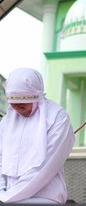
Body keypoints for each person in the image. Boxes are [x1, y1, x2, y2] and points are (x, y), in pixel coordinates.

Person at [0, 68, 75, 204]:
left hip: (44, 199)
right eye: (13, 102)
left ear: (37, 96)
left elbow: (47, 166)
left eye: (22, 101)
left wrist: (8, 197)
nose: (17, 107)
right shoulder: (6, 121)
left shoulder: (57, 117)